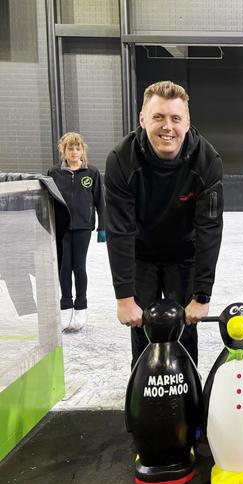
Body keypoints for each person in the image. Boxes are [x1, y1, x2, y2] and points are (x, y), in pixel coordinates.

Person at [104, 80, 223, 368]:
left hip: (184, 254)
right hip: (141, 254)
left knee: (185, 330)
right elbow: (120, 231)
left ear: (187, 122)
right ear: (142, 119)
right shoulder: (121, 160)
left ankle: (187, 389)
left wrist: (202, 294)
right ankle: (144, 395)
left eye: (175, 118)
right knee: (142, 330)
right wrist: (124, 298)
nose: (167, 126)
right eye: (158, 117)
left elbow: (209, 229)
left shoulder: (207, 161)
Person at [48, 132, 105, 331]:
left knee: (78, 266)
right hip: (61, 227)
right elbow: (46, 202)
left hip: (82, 227)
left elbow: (100, 200)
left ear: (82, 150)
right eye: (70, 148)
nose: (74, 152)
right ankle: (65, 306)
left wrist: (102, 226)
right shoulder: (54, 173)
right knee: (64, 267)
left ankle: (81, 306)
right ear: (63, 151)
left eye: (77, 148)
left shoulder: (91, 173)